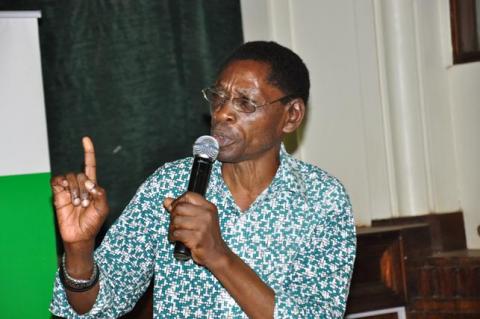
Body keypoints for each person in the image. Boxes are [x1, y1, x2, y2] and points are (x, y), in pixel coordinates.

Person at [50, 41, 356, 318]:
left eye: (245, 103)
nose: (222, 113)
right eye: (218, 98)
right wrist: (79, 249)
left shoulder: (322, 200)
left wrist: (218, 255)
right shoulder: (168, 185)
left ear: (291, 115)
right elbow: (94, 307)